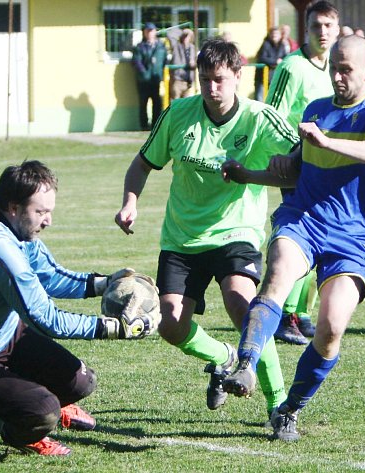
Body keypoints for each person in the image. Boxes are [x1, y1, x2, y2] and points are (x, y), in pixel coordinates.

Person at [221, 35, 365, 441]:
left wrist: (326, 141)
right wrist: (249, 175)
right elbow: (294, 170)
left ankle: (290, 408)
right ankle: (246, 363)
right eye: (334, 68)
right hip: (303, 219)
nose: (338, 77)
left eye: (346, 69)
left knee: (329, 328)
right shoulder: (316, 110)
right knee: (279, 274)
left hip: (354, 237)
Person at [0, 160, 156, 457]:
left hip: (2, 337)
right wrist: (113, 328)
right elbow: (46, 320)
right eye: (41, 212)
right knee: (43, 411)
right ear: (14, 207)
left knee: (82, 381)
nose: (48, 221)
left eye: (50, 211)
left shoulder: (11, 226)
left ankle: (45, 406)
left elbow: (50, 275)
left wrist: (104, 284)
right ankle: (23, 435)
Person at [115, 38, 300, 418]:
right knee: (170, 325)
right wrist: (130, 202)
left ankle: (279, 405)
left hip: (237, 231)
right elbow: (143, 163)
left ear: (237, 76)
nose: (211, 89)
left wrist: (274, 172)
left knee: (243, 306)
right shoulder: (178, 115)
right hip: (182, 236)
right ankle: (223, 357)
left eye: (219, 79)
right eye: (204, 80)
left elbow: (300, 158)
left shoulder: (259, 118)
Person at [265, 0, 340, 345]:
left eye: (328, 26)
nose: (322, 32)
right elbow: (273, 115)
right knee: (300, 237)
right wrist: (287, 155)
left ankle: (301, 311)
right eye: (315, 27)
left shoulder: (334, 68)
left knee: (324, 235)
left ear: (337, 30)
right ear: (305, 30)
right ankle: (283, 314)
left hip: (325, 165)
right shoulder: (291, 68)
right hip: (296, 165)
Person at [133, 22, 167, 130]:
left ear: (155, 32)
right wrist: (144, 73)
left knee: (157, 103)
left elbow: (165, 61)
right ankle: (144, 126)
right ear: (144, 32)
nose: (150, 33)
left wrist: (160, 74)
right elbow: (136, 62)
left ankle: (156, 126)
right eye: (147, 31)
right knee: (143, 104)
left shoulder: (161, 46)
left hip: (156, 80)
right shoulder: (140, 47)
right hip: (143, 81)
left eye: (152, 31)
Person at [254, 27, 287, 102]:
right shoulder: (265, 44)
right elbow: (261, 58)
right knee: (260, 99)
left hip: (275, 77)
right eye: (272, 34)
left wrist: (281, 61)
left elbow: (286, 57)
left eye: (276, 34)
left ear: (280, 35)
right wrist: (275, 61)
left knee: (274, 100)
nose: (274, 35)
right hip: (262, 77)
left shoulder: (282, 45)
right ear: (269, 35)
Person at [168, 28, 196, 100]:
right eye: (184, 36)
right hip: (177, 81)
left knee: (187, 106)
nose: (185, 38)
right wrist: (182, 32)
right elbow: (169, 34)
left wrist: (193, 63)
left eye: (188, 36)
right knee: (176, 105)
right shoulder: (176, 46)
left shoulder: (192, 48)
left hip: (188, 82)